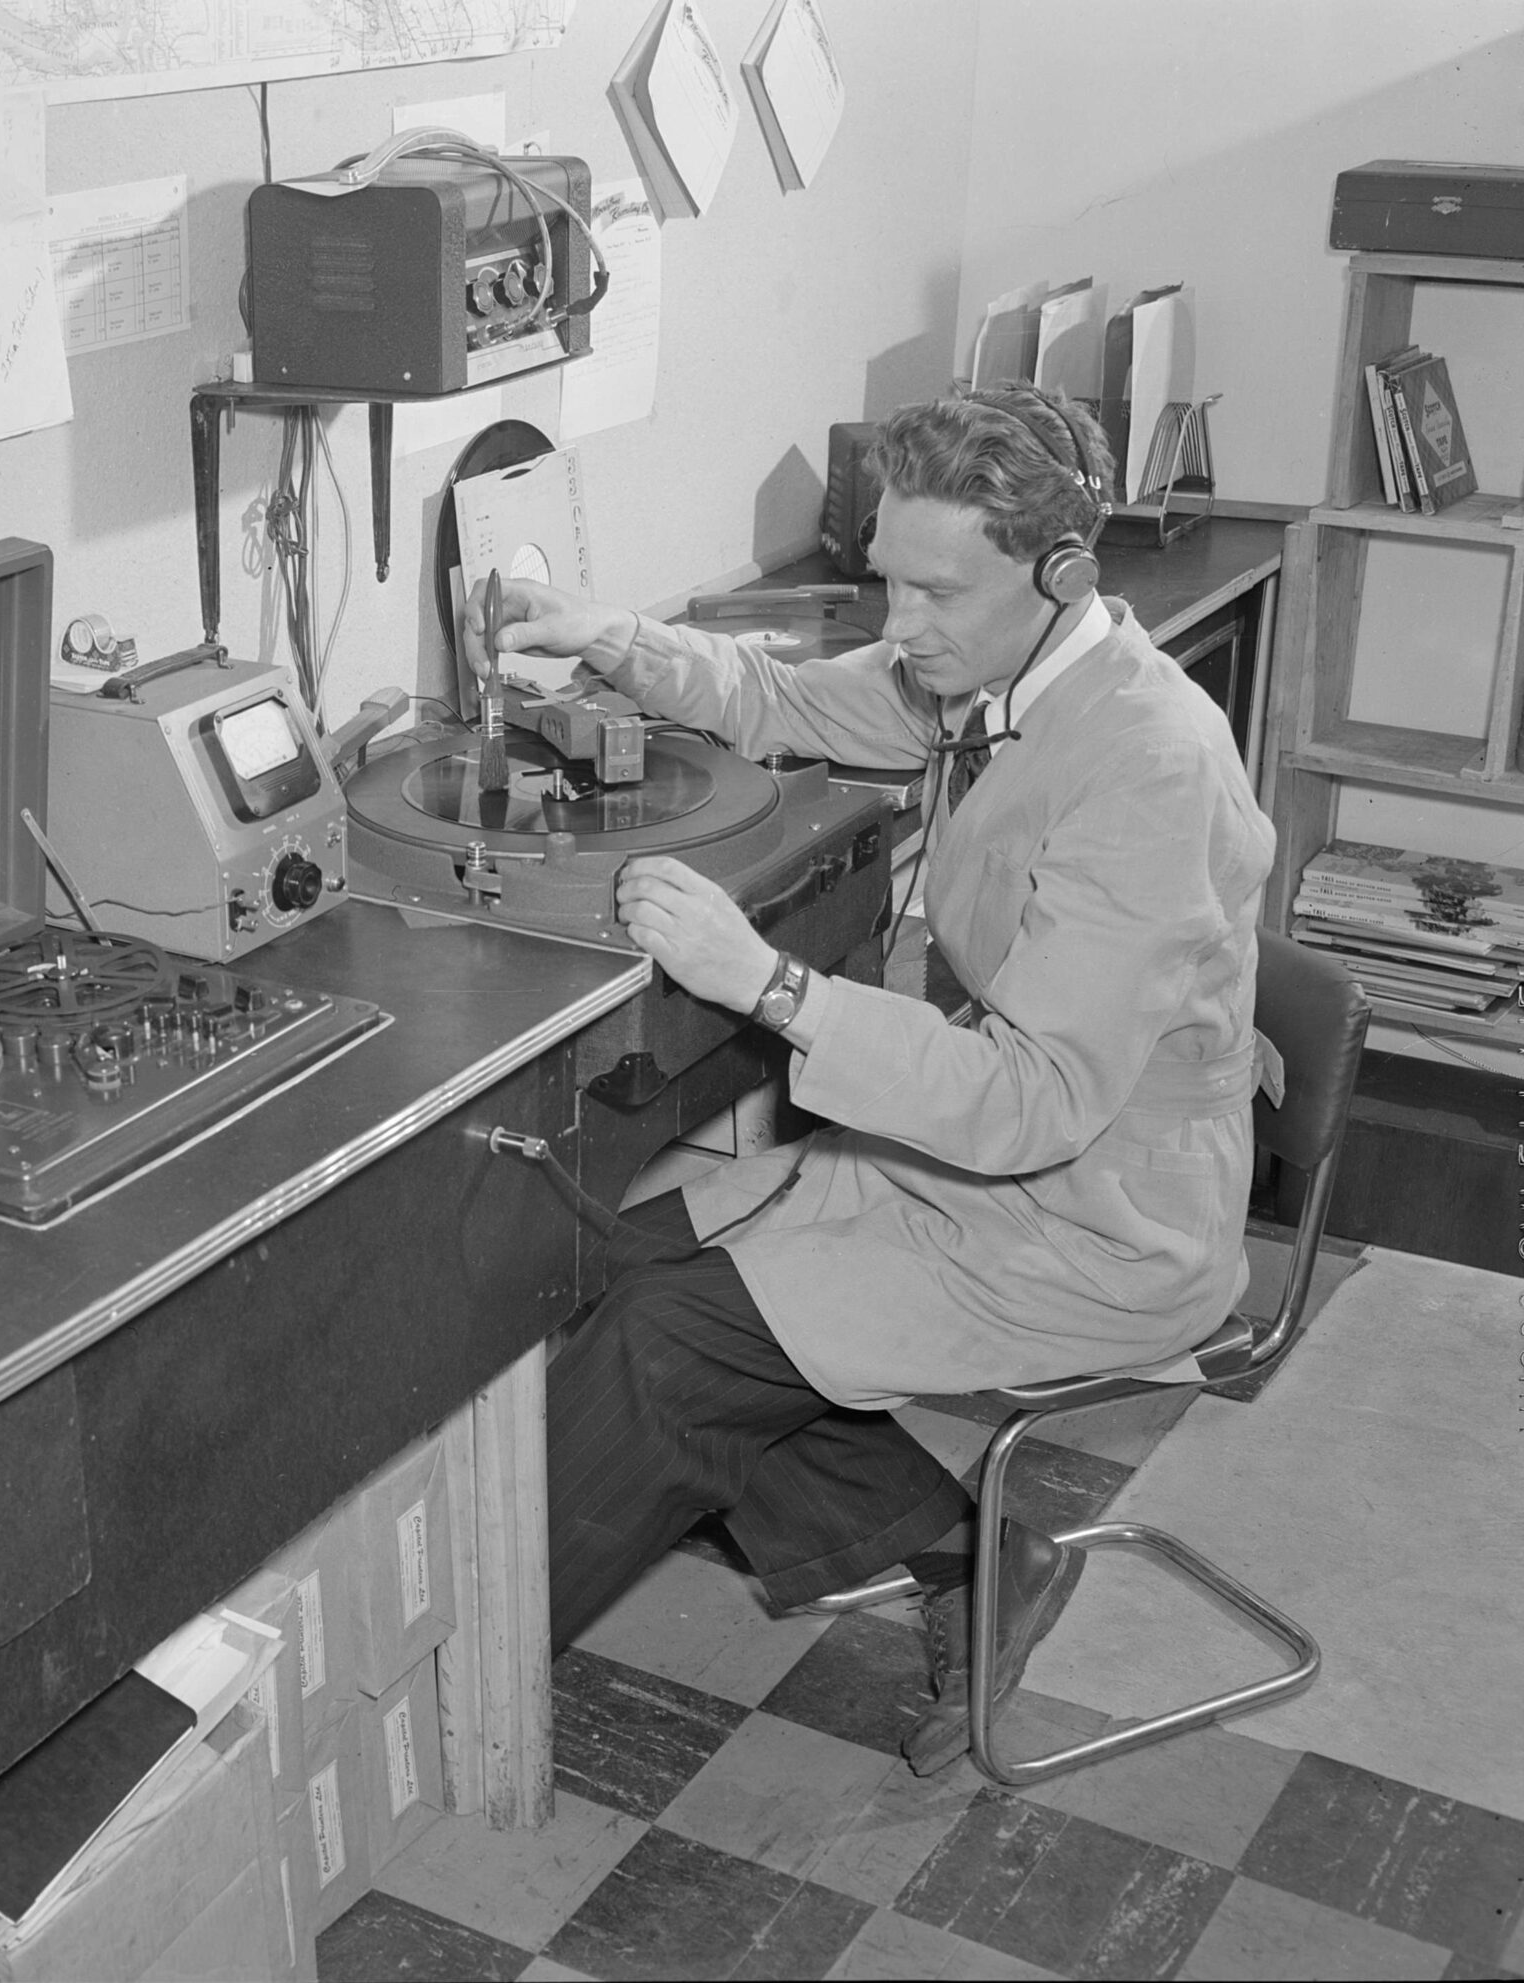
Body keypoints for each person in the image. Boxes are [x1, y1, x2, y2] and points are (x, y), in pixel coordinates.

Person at [470, 386, 1274, 1776]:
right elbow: (782, 695)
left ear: (1060, 572)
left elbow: (1036, 1096)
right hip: (972, 1158)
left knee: (669, 1348)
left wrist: (769, 983)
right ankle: (979, 1560)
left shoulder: (1144, 760)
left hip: (1097, 1216)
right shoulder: (1001, 675)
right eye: (885, 579)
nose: (900, 627)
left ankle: (449, 1682)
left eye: (933, 592)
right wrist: (616, 639)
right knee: (609, 1251)